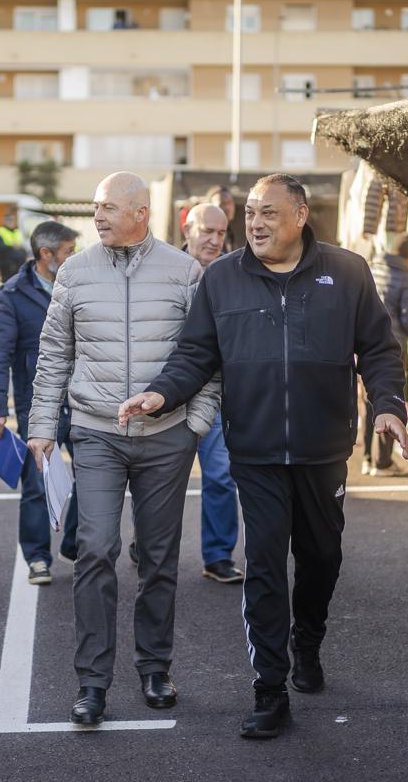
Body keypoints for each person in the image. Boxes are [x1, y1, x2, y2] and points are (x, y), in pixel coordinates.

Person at [118, 173, 408, 739]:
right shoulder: (223, 279)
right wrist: (162, 392)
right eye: (250, 212)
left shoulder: (345, 273)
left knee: (322, 557)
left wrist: (388, 404)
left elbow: (378, 347)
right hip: (254, 450)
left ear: (300, 216)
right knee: (266, 568)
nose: (255, 223)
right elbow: (196, 352)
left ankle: (308, 638)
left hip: (324, 450)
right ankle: (270, 689)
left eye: (268, 213)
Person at [27, 172, 220, 726]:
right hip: (96, 432)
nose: (98, 216)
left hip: (167, 437)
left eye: (109, 207)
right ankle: (92, 681)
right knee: (95, 549)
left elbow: (206, 355)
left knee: (159, 560)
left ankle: (155, 668)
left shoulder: (185, 272)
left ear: (141, 211)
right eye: (96, 207)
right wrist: (42, 424)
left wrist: (196, 424)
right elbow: (54, 354)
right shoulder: (75, 270)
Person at [0, 220, 81, 584]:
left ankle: (72, 543)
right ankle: (38, 558)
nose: (74, 258)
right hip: (37, 402)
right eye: (68, 252)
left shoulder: (78, 285)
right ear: (46, 255)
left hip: (84, 399)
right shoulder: (10, 296)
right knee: (37, 481)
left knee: (93, 476)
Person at [182, 204, 243, 584]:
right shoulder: (165, 270)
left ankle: (218, 556)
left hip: (218, 393)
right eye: (207, 231)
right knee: (157, 480)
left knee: (221, 476)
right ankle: (146, 541)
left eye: (221, 233)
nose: (214, 240)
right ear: (186, 228)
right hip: (169, 397)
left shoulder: (233, 273)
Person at [364, 233, 408, 475]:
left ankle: (368, 458)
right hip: (391, 344)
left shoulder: (374, 266)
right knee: (390, 397)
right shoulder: (405, 275)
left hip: (364, 341)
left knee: (368, 401)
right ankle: (384, 461)